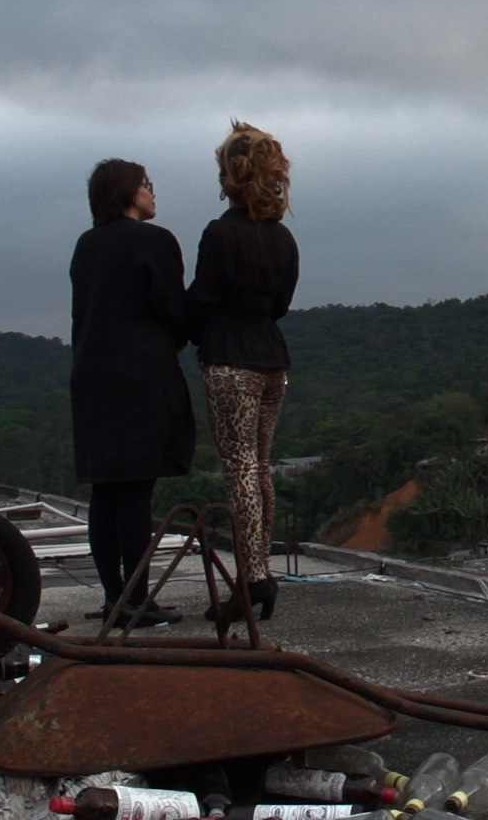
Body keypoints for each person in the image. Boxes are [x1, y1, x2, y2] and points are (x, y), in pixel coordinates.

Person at [69, 158, 196, 626]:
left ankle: (114, 598)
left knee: (106, 489)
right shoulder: (154, 241)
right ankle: (137, 600)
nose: (152, 192)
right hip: (140, 375)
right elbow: (173, 308)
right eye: (146, 184)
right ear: (128, 192)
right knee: (137, 488)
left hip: (91, 374)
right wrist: (178, 336)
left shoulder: (86, 245)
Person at [188, 122, 299, 622]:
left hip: (230, 362)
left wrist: (184, 326)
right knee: (261, 468)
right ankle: (261, 572)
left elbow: (203, 298)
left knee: (240, 472)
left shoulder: (220, 234)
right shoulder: (283, 239)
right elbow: (280, 305)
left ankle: (253, 580)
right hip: (272, 360)